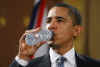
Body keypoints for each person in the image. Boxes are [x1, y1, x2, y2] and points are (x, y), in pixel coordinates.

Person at [10, 3, 100, 67]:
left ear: (76, 30)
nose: (50, 26)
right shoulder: (29, 65)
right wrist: (22, 57)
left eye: (59, 20)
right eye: (48, 21)